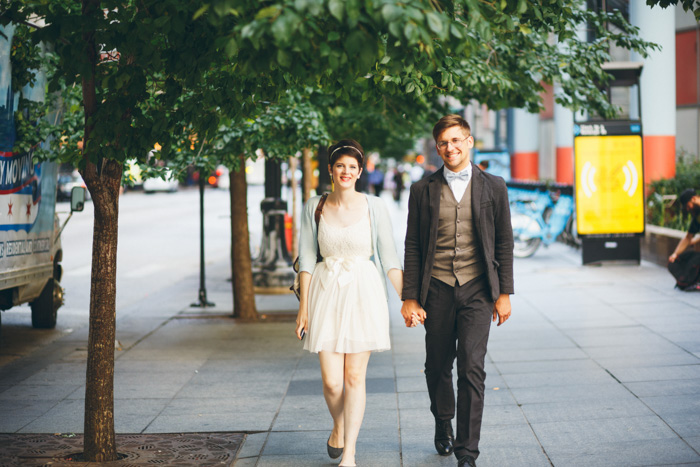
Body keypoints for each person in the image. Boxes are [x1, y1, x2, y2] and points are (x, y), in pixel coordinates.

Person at [400, 115, 514, 467]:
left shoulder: (494, 187)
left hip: (478, 289)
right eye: (443, 143)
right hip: (435, 289)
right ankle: (442, 418)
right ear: (438, 148)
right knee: (436, 365)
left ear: (469, 141)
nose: (450, 148)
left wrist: (504, 292)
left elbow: (504, 243)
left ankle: (467, 451)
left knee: (472, 368)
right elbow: (414, 245)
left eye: (456, 140)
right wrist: (410, 296)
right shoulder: (422, 190)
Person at [295, 139, 404, 467]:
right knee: (331, 380)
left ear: (360, 172)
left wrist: (408, 300)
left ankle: (351, 453)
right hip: (325, 291)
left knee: (355, 377)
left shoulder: (375, 207)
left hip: (363, 293)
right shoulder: (314, 205)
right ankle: (339, 425)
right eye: (340, 166)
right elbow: (305, 259)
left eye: (352, 167)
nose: (346, 171)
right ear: (330, 170)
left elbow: (389, 259)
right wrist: (303, 308)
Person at [667, 188, 700, 290]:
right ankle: (691, 281)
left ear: (693, 199)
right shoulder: (697, 217)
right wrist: (675, 254)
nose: (687, 209)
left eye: (687, 205)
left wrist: (697, 240)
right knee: (685, 258)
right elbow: (687, 238)